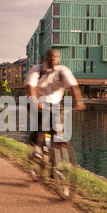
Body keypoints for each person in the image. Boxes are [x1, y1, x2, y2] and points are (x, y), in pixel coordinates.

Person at [24, 48, 86, 178]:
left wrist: (78, 102)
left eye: (55, 57)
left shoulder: (63, 71)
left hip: (55, 104)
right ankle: (37, 148)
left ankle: (55, 169)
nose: (53, 59)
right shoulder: (36, 69)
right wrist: (35, 101)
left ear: (59, 59)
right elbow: (31, 86)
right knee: (42, 122)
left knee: (58, 134)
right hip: (36, 100)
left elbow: (73, 86)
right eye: (50, 57)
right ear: (46, 58)